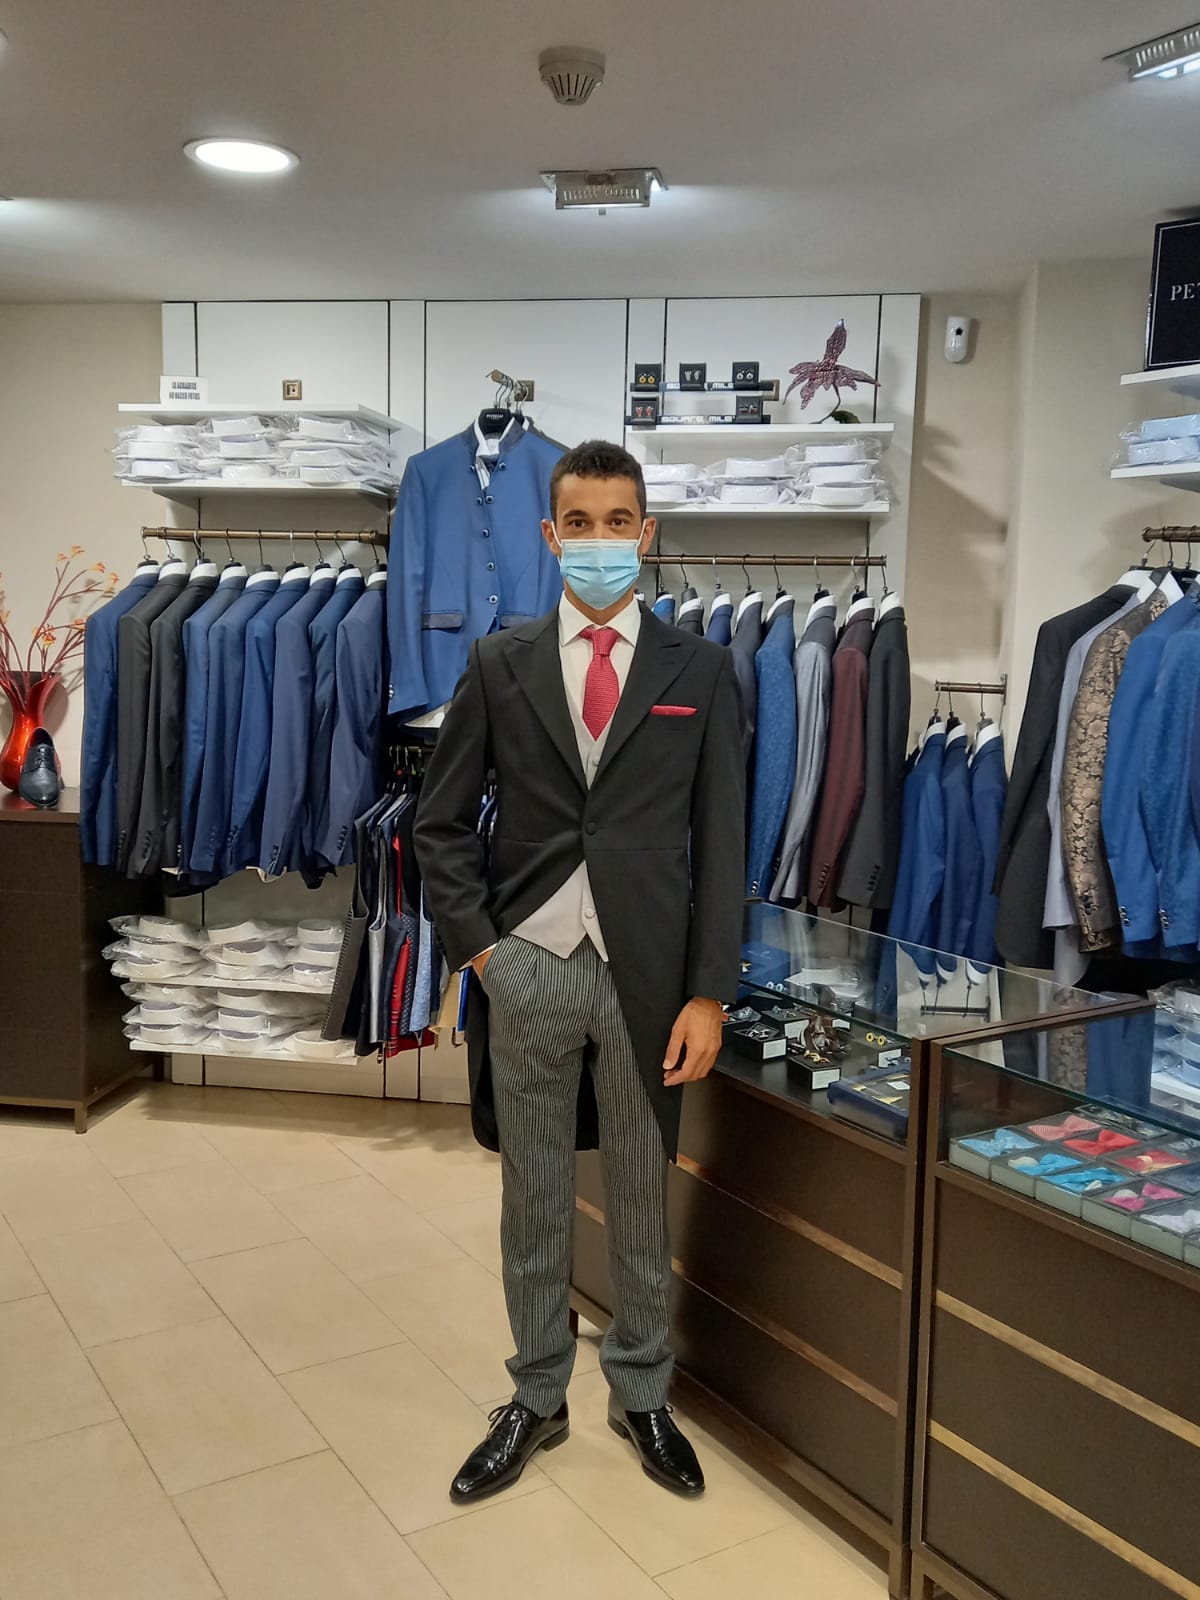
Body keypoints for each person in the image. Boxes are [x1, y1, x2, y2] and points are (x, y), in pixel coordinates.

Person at [413, 438, 745, 1504]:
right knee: (535, 1196)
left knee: (642, 1193)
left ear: (646, 534)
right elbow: (438, 822)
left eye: (619, 522)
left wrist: (709, 990)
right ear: (551, 536)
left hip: (651, 980)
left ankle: (642, 1391)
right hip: (532, 968)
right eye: (581, 523)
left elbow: (723, 842)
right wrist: (483, 953)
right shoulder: (499, 662)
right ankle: (537, 1394)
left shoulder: (701, 670)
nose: (601, 540)